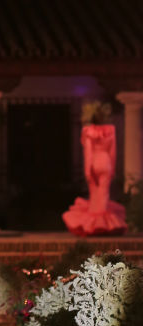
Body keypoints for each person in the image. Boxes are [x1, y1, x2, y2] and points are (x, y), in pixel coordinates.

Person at [62, 101, 127, 236]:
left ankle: (95, 226)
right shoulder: (110, 130)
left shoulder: (88, 131)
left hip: (94, 162)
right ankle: (102, 226)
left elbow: (88, 152)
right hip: (106, 162)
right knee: (103, 195)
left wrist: (87, 170)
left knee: (95, 196)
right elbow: (113, 152)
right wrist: (113, 169)